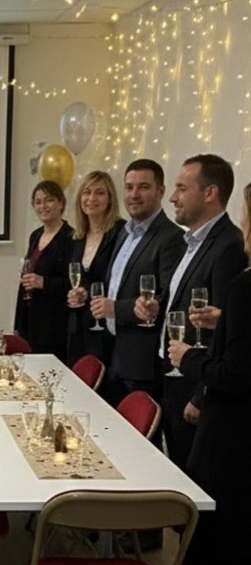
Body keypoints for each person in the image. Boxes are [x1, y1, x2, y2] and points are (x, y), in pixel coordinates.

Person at [169, 182, 251, 565]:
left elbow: (235, 374)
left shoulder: (243, 284)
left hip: (231, 440)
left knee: (211, 549)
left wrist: (189, 359)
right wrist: (227, 324)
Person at [139, 154, 245, 470]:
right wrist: (159, 307)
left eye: (182, 189)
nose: (173, 198)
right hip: (172, 374)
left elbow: (226, 330)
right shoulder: (192, 242)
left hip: (194, 382)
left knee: (191, 476)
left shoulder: (228, 245)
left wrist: (201, 395)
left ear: (210, 193)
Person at [90, 158, 185, 407]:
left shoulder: (172, 238)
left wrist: (116, 308)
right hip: (114, 351)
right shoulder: (124, 232)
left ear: (161, 191)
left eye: (143, 187)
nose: (134, 194)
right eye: (129, 187)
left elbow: (167, 299)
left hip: (142, 361)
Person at [64, 170, 124, 368]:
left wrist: (87, 291)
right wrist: (74, 294)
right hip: (78, 325)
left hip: (105, 325)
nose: (91, 198)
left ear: (110, 198)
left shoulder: (121, 233)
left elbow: (120, 278)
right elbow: (73, 280)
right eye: (86, 192)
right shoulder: (77, 237)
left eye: (99, 193)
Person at [14, 179, 72, 357]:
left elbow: (74, 284)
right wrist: (18, 324)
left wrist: (44, 282)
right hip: (31, 320)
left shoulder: (71, 237)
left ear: (60, 203)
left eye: (49, 200)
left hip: (54, 325)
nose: (43, 206)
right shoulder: (35, 235)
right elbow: (25, 281)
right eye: (38, 202)